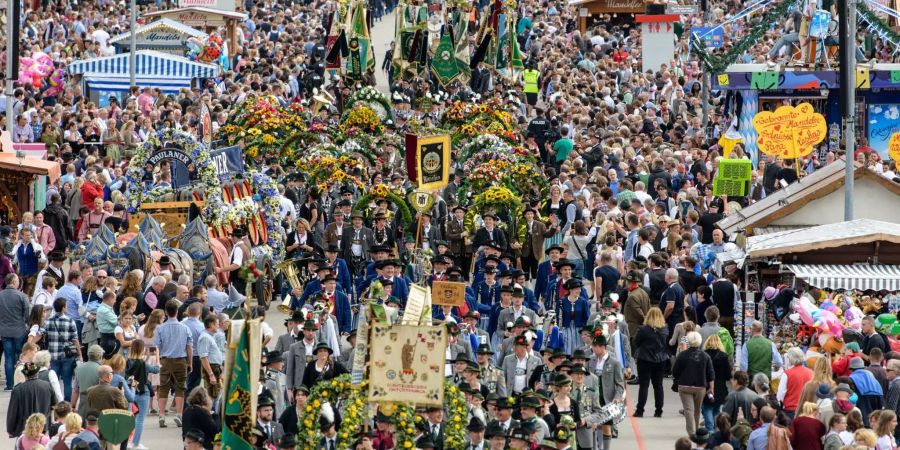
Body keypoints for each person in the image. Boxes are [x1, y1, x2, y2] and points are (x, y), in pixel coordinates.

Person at [155, 299, 193, 428]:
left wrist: (158, 361)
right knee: (180, 388)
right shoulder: (185, 328)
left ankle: (161, 415)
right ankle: (178, 415)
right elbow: (189, 347)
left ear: (166, 312)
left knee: (164, 388)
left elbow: (157, 347)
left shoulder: (160, 328)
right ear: (177, 311)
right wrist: (190, 362)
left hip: (165, 360)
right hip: (180, 360)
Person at [672, 331, 715, 435]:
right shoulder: (705, 356)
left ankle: (691, 432)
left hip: (685, 386)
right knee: (697, 410)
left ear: (689, 342)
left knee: (688, 409)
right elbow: (710, 373)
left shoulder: (682, 355)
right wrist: (711, 388)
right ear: (700, 342)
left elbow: (675, 372)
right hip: (700, 387)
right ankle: (697, 430)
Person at [632, 306, 669, 417]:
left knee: (644, 386)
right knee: (658, 386)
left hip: (645, 359)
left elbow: (636, 342)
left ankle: (640, 410)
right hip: (661, 359)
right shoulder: (665, 329)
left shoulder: (643, 329)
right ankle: (659, 411)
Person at [0, 274, 32, 390]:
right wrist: (28, 324)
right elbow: (27, 314)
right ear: (14, 282)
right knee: (21, 356)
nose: (19, 282)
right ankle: (20, 382)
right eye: (18, 280)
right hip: (19, 330)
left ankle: (9, 385)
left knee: (8, 357)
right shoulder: (22, 296)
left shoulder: (1, 295)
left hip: (4, 331)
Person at [7, 362, 55, 436]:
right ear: (37, 373)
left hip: (24, 428)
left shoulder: (18, 390)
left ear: (25, 375)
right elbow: (53, 404)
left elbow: (13, 411)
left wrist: (10, 429)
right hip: (42, 426)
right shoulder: (47, 385)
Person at [703, 334, 732, 430]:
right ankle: (715, 428)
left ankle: (710, 428)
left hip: (706, 386)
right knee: (716, 409)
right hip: (720, 387)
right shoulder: (724, 356)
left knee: (707, 408)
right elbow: (728, 375)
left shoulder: (704, 355)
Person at [776, 347, 813, 420]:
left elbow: (780, 394)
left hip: (791, 409)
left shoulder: (787, 373)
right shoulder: (811, 373)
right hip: (807, 408)